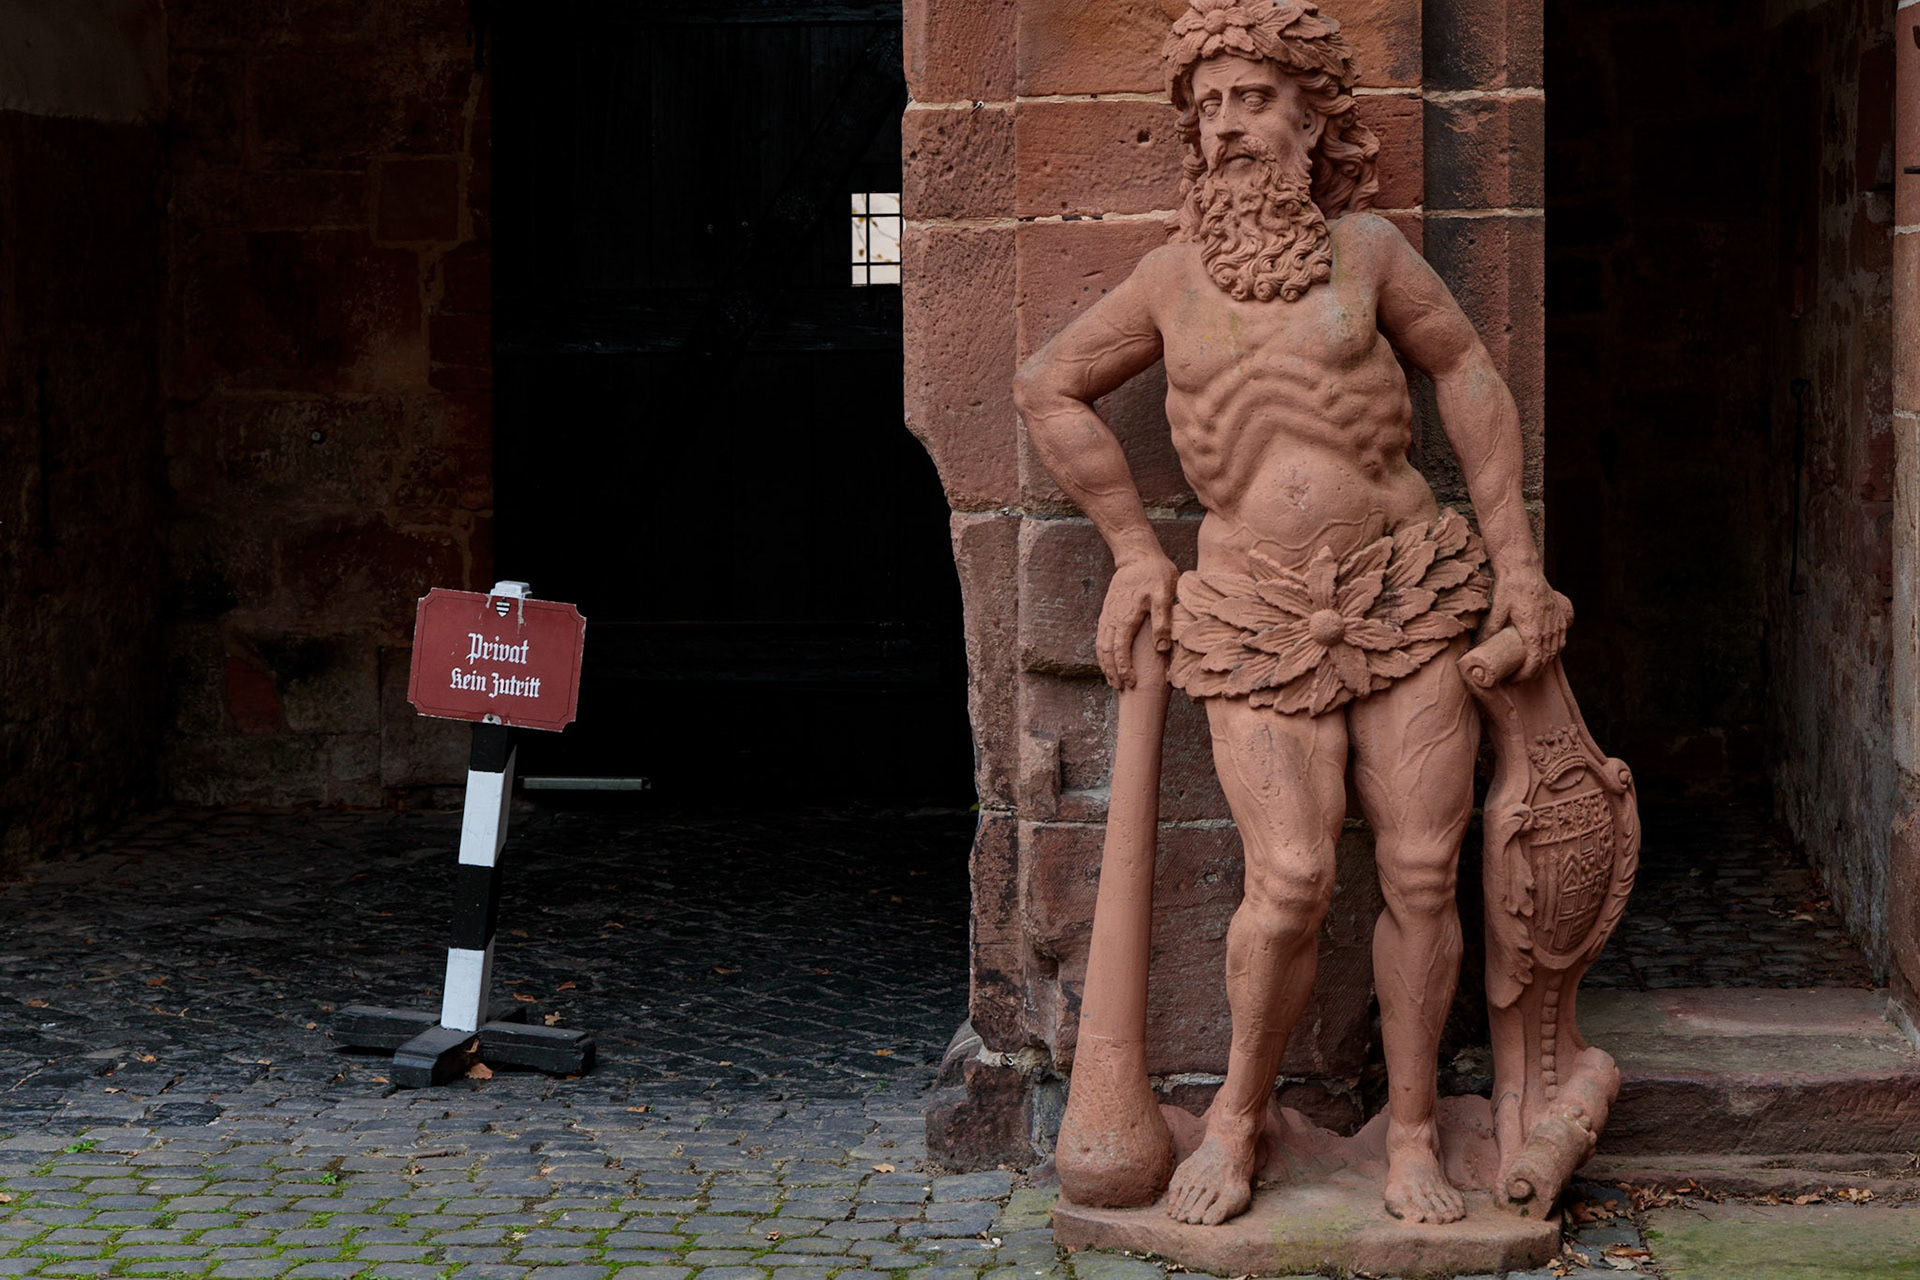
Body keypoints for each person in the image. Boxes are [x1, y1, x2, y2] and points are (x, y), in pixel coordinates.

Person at [1012, 0, 1572, 1229]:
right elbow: (1044, 383)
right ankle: (1237, 1115)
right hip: (1255, 609)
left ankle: (1414, 1129)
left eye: (1255, 100)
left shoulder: (1367, 250)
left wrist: (1518, 566)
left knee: (1425, 869)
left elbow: (1469, 372)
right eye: (1210, 107)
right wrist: (1129, 551)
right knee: (1294, 876)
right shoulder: (1165, 281)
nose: (1230, 128)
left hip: (1406, 587)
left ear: (1312, 119)